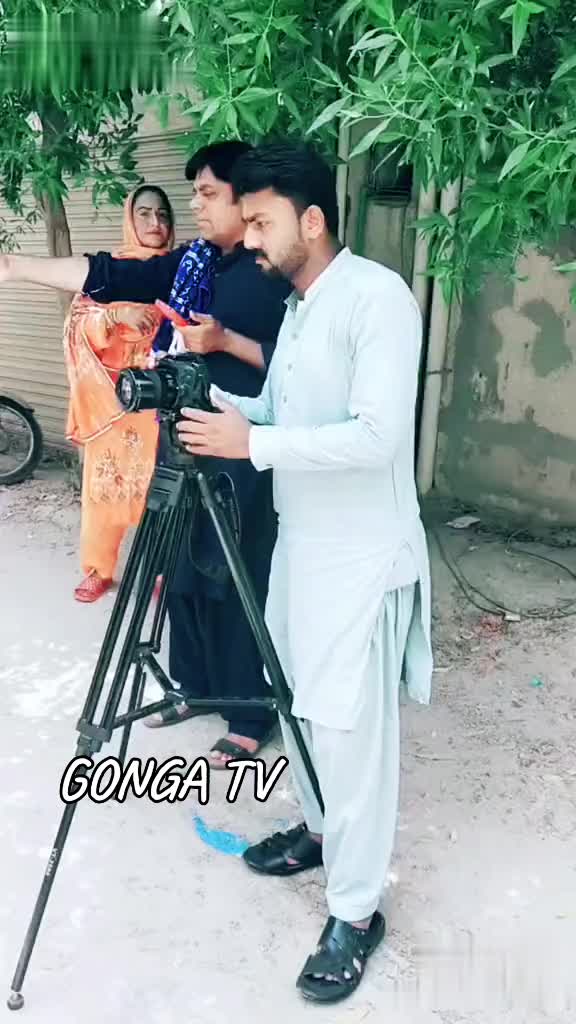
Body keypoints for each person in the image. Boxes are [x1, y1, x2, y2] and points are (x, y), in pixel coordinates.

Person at [175, 141, 434, 1004]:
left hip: (361, 558)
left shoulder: (377, 299)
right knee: (301, 708)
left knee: (353, 736)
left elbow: (377, 437)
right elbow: (280, 413)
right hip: (302, 547)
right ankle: (320, 833)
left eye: (260, 221)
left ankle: (355, 913)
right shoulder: (300, 309)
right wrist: (214, 403)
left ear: (311, 220)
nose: (247, 237)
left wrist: (255, 442)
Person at [0, 142, 289, 767]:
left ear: (245, 199)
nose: (195, 206)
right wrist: (16, 266)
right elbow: (111, 273)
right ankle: (192, 686)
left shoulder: (271, 271)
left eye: (208, 194)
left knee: (234, 575)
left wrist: (225, 341)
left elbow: (294, 368)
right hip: (178, 437)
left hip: (238, 447)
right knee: (177, 567)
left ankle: (248, 711)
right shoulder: (194, 262)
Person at [65, 185, 175, 602]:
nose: (155, 223)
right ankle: (98, 568)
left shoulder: (182, 270)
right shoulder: (110, 272)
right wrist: (114, 315)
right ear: (130, 219)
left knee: (161, 489)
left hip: (162, 403)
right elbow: (77, 322)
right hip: (114, 403)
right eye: (144, 213)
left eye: (162, 214)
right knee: (104, 488)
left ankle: (161, 569)